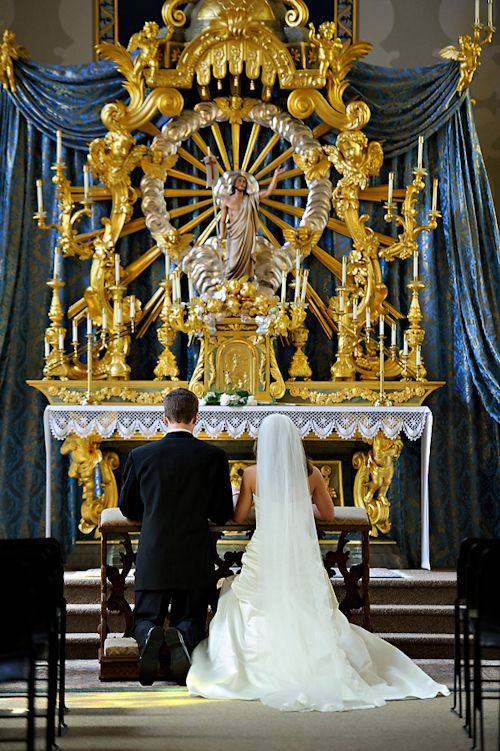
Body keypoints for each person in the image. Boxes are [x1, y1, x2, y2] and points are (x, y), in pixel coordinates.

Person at [187, 413, 449, 712]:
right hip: (300, 554)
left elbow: (238, 515)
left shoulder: (252, 474)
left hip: (265, 550)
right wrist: (298, 507)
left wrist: (238, 494)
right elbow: (326, 513)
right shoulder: (311, 474)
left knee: (240, 598)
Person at [119, 388, 233, 686]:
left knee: (145, 618)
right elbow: (222, 513)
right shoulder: (214, 457)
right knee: (193, 619)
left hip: (154, 554)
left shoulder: (140, 456)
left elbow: (129, 508)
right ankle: (182, 636)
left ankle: (148, 635)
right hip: (194, 554)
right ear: (197, 417)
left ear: (164, 417)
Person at [220, 165, 287, 280]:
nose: (242, 183)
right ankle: (230, 287)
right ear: (235, 184)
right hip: (234, 235)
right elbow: (222, 221)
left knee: (246, 264)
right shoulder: (227, 200)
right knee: (231, 264)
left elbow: (269, 191)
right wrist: (221, 235)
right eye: (239, 181)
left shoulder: (250, 199)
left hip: (247, 235)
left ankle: (244, 286)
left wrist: (276, 174)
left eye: (244, 182)